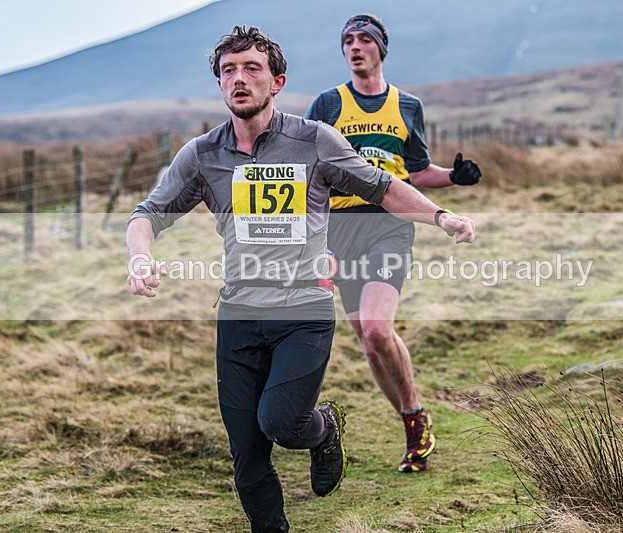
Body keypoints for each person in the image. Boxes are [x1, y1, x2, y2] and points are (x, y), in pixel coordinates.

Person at [125, 26, 476, 533]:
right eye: (228, 71)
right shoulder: (202, 154)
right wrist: (140, 258)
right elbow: (149, 212)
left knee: (282, 424)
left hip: (303, 311)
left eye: (252, 69)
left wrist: (441, 216)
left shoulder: (313, 140)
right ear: (219, 84)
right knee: (246, 457)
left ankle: (324, 429)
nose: (238, 79)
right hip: (240, 313)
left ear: (277, 81)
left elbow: (382, 185)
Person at [305, 13, 482, 473]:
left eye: (365, 39)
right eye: (347, 40)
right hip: (339, 232)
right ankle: (411, 414)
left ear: (381, 48)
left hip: (389, 225)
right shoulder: (327, 104)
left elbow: (416, 172)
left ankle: (414, 419)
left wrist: (452, 178)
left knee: (379, 328)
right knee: (367, 340)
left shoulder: (407, 105)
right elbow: (307, 172)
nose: (355, 47)